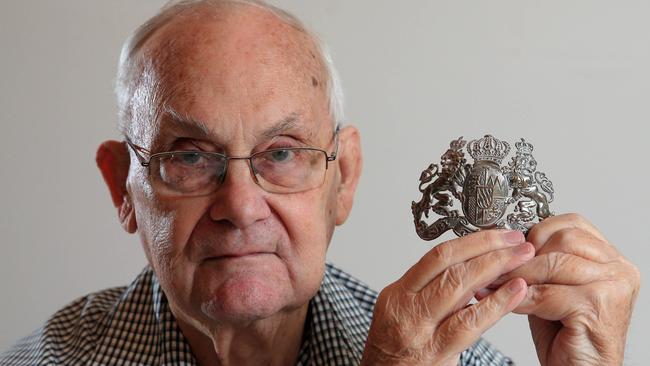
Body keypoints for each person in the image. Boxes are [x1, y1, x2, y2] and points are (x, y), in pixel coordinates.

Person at [1, 0, 640, 365]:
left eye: (281, 152)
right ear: (123, 188)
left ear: (345, 179)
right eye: (191, 157)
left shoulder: (460, 359)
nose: (241, 206)